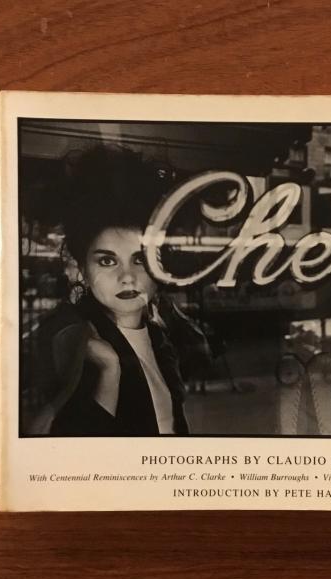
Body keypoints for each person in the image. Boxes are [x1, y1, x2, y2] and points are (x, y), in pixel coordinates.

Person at [21, 144, 209, 436]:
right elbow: (56, 441)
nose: (127, 277)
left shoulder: (160, 336)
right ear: (80, 269)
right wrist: (109, 371)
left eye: (140, 259)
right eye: (107, 261)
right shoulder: (73, 339)